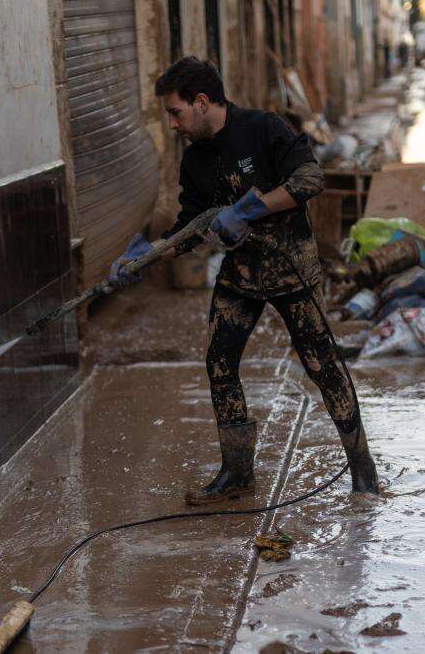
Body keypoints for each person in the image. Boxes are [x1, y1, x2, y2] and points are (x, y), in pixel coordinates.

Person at [107, 57, 379, 505]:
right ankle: (236, 473)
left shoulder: (263, 128)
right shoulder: (194, 159)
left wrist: (249, 209)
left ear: (200, 102)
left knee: (322, 367)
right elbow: (191, 225)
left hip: (291, 268)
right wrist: (149, 254)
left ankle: (361, 466)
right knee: (219, 361)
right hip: (241, 275)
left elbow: (310, 178)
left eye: (174, 112)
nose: (172, 124)